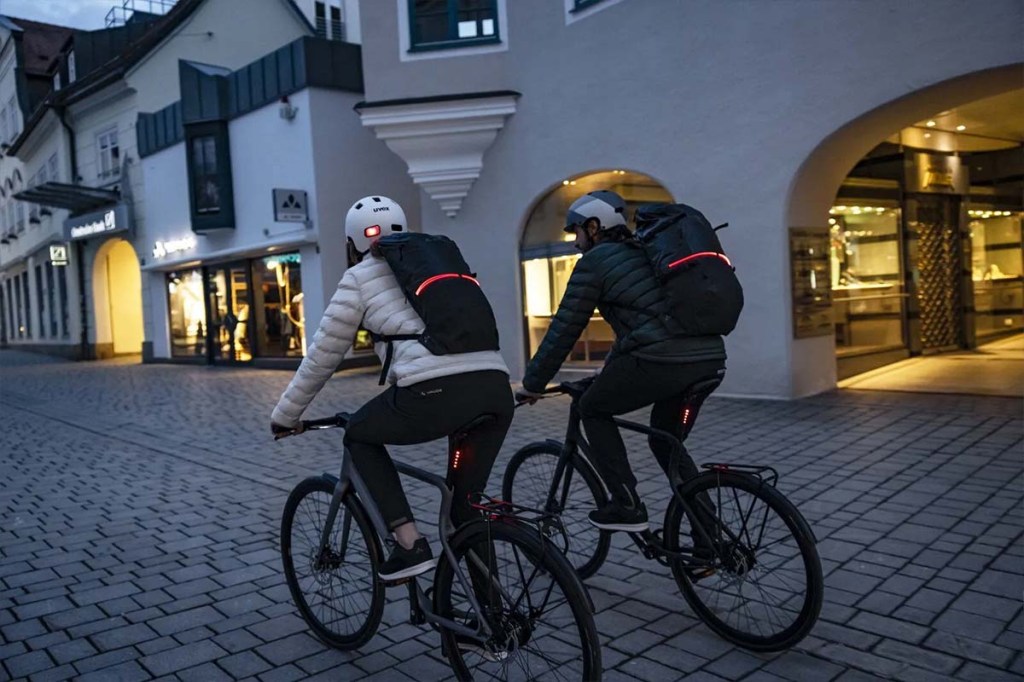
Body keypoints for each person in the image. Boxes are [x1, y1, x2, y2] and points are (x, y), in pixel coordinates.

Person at [271, 196, 512, 581]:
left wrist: (286, 415)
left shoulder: (358, 277)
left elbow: (323, 356)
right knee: (465, 511)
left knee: (360, 434)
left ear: (353, 243)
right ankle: (493, 624)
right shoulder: (439, 263)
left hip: (435, 393)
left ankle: (408, 543)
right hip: (496, 389)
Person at [516, 190, 726, 532]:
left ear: (594, 227)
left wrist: (532, 384)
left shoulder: (596, 263)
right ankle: (710, 537)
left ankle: (625, 503)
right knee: (664, 440)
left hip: (662, 361)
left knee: (592, 408)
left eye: (577, 232)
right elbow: (637, 328)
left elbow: (564, 329)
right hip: (709, 359)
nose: (575, 242)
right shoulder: (646, 252)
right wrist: (607, 372)